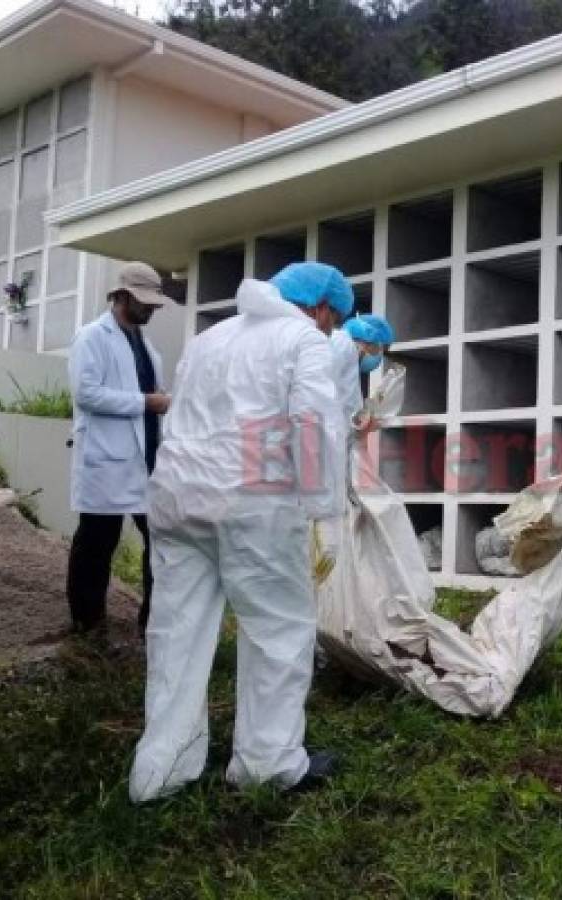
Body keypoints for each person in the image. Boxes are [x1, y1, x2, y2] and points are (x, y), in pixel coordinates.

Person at [128, 262, 353, 803]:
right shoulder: (303, 340)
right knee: (276, 633)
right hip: (254, 506)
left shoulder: (209, 338)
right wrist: (323, 514)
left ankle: (159, 773)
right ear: (320, 308)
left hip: (179, 502)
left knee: (175, 638)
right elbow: (314, 427)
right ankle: (267, 766)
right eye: (334, 319)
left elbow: (184, 418)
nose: (331, 330)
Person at [66, 261, 169, 637]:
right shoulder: (92, 337)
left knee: (160, 542)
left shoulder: (145, 345)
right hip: (107, 462)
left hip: (147, 461)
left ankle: (151, 623)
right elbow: (86, 393)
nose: (152, 310)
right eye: (146, 303)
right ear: (123, 296)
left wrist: (157, 406)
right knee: (96, 545)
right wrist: (146, 402)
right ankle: (87, 625)